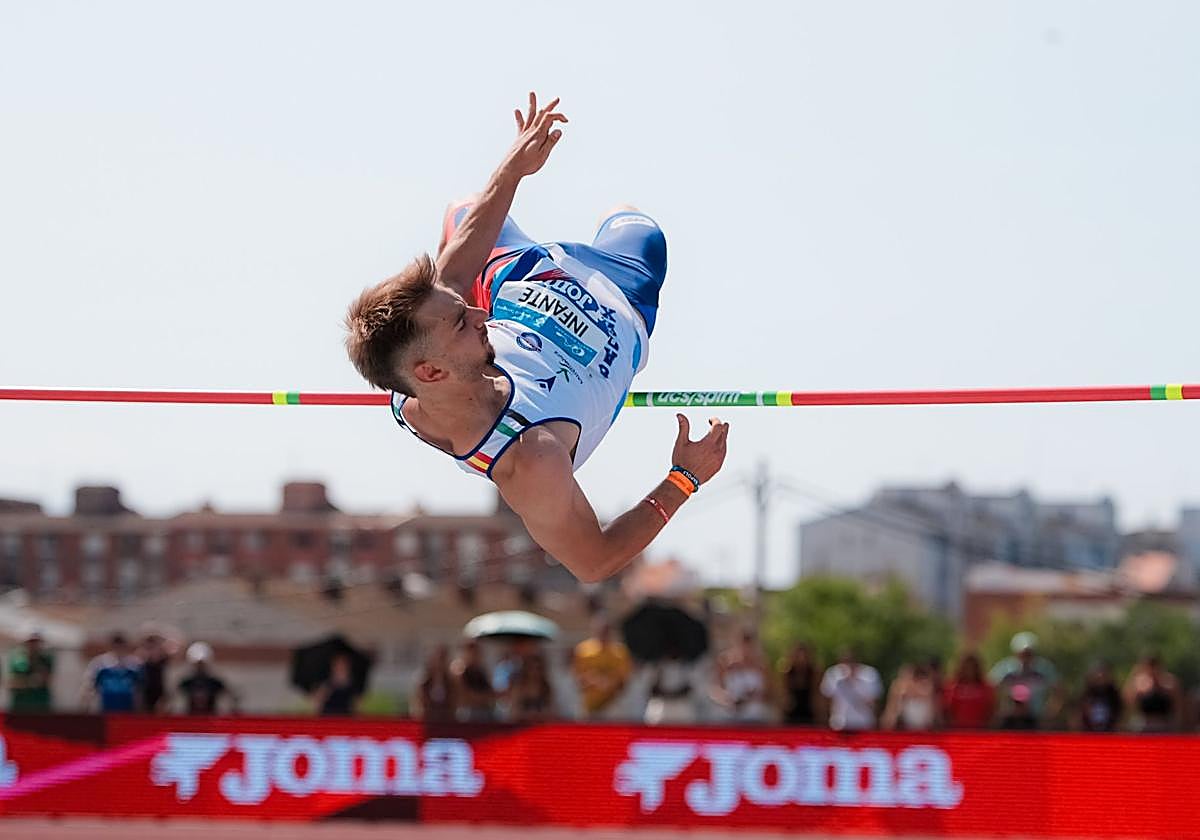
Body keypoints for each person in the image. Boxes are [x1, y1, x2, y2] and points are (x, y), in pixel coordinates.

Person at [343, 92, 729, 585]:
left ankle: (481, 243)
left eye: (463, 310)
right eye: (462, 322)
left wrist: (514, 167)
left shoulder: (414, 375)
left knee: (463, 212)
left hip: (522, 275)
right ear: (432, 373)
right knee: (635, 222)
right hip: (615, 297)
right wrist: (684, 478)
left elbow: (457, 272)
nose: (479, 315)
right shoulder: (531, 461)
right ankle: (619, 220)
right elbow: (595, 562)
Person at [988, 632, 1060, 730]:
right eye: (1023, 653)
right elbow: (989, 688)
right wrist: (996, 710)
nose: (1026, 657)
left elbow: (1059, 691)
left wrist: (1050, 713)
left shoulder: (1044, 669)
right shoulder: (1005, 669)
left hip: (1036, 718)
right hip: (1009, 718)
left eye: (1029, 653)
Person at [572, 620, 633, 720]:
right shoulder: (583, 650)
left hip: (613, 705)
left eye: (606, 630)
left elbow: (623, 681)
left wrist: (608, 683)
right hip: (589, 704)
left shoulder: (620, 652)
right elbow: (579, 678)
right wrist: (597, 681)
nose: (603, 633)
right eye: (601, 630)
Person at [711, 630, 772, 723]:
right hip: (729, 716)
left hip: (754, 716)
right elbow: (716, 688)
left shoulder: (761, 666)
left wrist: (753, 696)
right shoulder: (725, 663)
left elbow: (769, 692)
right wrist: (727, 699)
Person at [820, 649, 882, 731]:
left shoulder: (870, 675)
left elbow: (874, 702)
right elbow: (826, 698)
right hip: (839, 724)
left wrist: (854, 683)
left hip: (864, 724)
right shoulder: (833, 674)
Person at [1124, 653, 1183, 733]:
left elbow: (1178, 706)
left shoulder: (1169, 683)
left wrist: (1177, 725)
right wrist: (1134, 674)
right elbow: (1128, 701)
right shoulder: (1139, 684)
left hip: (1165, 725)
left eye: (1154, 665)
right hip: (1145, 725)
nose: (1152, 669)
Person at [85, 633, 143, 713]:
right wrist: (88, 705)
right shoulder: (100, 663)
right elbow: (91, 686)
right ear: (111, 647)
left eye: (121, 646)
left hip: (127, 707)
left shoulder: (134, 664)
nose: (118, 649)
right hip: (106, 706)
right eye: (116, 646)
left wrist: (139, 707)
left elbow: (139, 689)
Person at [177, 642, 238, 715]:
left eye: (202, 664)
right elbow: (171, 697)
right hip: (191, 719)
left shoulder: (214, 681)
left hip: (211, 719)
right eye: (198, 664)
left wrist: (231, 710)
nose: (200, 666)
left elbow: (232, 697)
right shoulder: (187, 681)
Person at [882, 661, 941, 731]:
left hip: (923, 725)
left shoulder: (925, 688)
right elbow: (891, 708)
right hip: (903, 724)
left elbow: (932, 706)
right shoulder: (898, 689)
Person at [644, 647, 696, 725]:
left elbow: (690, 688)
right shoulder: (658, 666)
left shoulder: (685, 666)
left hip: (680, 706)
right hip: (662, 705)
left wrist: (672, 695)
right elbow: (651, 689)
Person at [942, 653, 995, 729]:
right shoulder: (952, 687)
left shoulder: (986, 688)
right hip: (956, 731)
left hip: (981, 731)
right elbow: (946, 709)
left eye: (972, 667)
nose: (969, 670)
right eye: (966, 667)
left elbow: (991, 709)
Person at [7, 631, 54, 712]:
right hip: (20, 707)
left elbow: (48, 679)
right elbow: (11, 683)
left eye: (36, 642)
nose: (33, 645)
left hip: (41, 707)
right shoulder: (16, 659)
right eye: (31, 642)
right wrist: (29, 682)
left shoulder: (46, 659)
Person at [452, 640, 497, 722]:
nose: (475, 655)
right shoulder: (460, 670)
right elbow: (465, 696)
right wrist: (483, 698)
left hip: (484, 711)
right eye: (472, 652)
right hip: (468, 712)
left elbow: (491, 693)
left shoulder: (481, 671)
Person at [779, 643, 820, 726]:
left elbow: (816, 694)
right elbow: (783, 694)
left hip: (809, 711)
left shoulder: (814, 673)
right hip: (792, 712)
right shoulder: (787, 673)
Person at [508, 651, 555, 723]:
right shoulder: (519, 687)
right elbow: (513, 712)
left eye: (538, 668)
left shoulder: (546, 687)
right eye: (531, 668)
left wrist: (541, 715)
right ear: (525, 669)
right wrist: (528, 715)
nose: (534, 672)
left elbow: (551, 709)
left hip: (541, 726)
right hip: (522, 727)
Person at [414, 645, 457, 722]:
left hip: (446, 721)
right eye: (439, 658)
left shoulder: (451, 681)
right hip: (428, 721)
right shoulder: (424, 681)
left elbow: (454, 702)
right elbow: (418, 702)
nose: (440, 662)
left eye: (443, 659)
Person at [1077, 660, 1122, 732]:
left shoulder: (1114, 694)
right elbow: (1080, 714)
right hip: (1089, 733)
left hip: (1109, 733)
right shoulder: (1087, 693)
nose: (1101, 677)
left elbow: (1119, 714)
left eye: (1104, 674)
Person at [315, 653, 360, 717]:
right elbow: (318, 704)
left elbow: (356, 708)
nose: (340, 668)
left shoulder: (353, 686)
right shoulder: (326, 685)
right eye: (337, 665)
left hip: (346, 720)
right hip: (328, 718)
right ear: (333, 667)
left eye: (343, 665)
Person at [138, 633, 171, 714]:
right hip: (146, 704)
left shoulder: (166, 665)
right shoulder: (141, 666)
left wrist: (164, 700)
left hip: (163, 704)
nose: (152, 651)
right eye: (149, 647)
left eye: (154, 647)